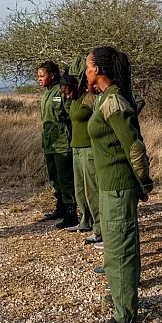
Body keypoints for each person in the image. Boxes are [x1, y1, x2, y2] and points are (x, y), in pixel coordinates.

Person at [85, 46, 153, 323]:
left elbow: (134, 146)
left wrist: (144, 183)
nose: (84, 71)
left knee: (121, 248)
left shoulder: (114, 102)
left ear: (98, 70)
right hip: (108, 185)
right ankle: (119, 294)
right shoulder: (104, 99)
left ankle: (125, 314)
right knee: (114, 246)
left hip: (119, 187)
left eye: (87, 67)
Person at [59, 69, 101, 243]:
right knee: (80, 189)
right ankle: (86, 220)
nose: (67, 96)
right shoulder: (74, 101)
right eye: (64, 94)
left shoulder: (89, 98)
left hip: (88, 148)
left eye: (68, 92)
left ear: (76, 86)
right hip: (75, 148)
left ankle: (99, 228)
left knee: (92, 189)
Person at [37, 61, 78, 229]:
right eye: (38, 76)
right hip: (50, 142)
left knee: (65, 178)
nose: (39, 79)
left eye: (42, 76)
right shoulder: (47, 92)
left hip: (62, 142)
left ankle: (71, 213)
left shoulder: (61, 90)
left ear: (52, 75)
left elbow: (71, 114)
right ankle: (60, 207)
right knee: (54, 176)